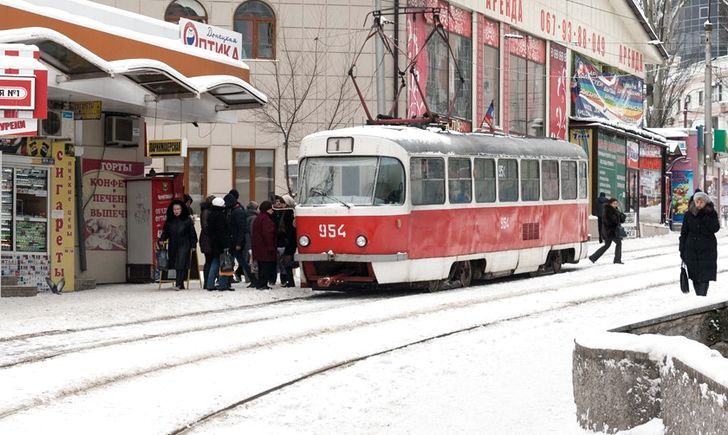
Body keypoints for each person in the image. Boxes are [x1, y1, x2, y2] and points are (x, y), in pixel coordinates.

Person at [680, 191, 720, 296]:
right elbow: (683, 233)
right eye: (697, 201)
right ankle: (698, 298)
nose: (698, 203)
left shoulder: (711, 213)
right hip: (691, 252)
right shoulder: (689, 214)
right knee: (694, 277)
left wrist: (704, 214)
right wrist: (682, 250)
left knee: (704, 278)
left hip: (707, 252)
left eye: (701, 201)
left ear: (705, 202)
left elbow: (715, 228)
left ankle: (701, 299)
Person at [158, 199, 198, 290]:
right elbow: (165, 232)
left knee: (181, 262)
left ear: (182, 209)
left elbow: (192, 233)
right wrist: (162, 239)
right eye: (174, 209)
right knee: (175, 263)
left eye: (178, 209)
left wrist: (193, 245)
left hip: (184, 244)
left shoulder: (187, 220)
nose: (176, 211)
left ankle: (178, 284)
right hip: (173, 244)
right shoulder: (170, 220)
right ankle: (180, 284)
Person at [206, 197, 233, 291]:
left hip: (214, 244)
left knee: (215, 263)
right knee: (225, 264)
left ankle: (209, 284)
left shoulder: (211, 215)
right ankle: (223, 284)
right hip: (222, 245)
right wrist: (226, 245)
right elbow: (222, 232)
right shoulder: (221, 216)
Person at [589, 198, 626, 264]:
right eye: (614, 203)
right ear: (610, 204)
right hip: (610, 231)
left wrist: (622, 217)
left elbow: (619, 220)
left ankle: (593, 257)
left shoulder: (615, 210)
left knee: (607, 245)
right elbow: (609, 221)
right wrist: (618, 218)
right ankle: (617, 260)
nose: (615, 205)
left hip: (611, 231)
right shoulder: (607, 210)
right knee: (618, 243)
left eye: (616, 203)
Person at [252, 200, 277, 290]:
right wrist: (271, 247)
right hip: (265, 248)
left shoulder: (258, 218)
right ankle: (263, 284)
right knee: (266, 267)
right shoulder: (266, 219)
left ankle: (260, 284)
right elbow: (268, 234)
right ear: (267, 209)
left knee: (261, 266)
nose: (272, 211)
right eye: (271, 209)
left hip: (258, 247)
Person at [224, 193, 247, 285]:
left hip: (235, 241)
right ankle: (250, 278)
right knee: (236, 260)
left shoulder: (236, 212)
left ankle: (251, 278)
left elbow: (241, 229)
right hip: (234, 241)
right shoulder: (235, 210)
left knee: (240, 261)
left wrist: (238, 243)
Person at [278, 194, 297, 287]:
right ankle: (290, 281)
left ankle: (290, 281)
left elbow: (291, 228)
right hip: (288, 240)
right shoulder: (284, 212)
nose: (281, 205)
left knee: (287, 261)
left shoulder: (290, 213)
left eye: (283, 203)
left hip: (291, 240)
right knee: (286, 261)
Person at [198, 195, 216, 289]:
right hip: (208, 240)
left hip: (205, 240)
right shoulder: (207, 212)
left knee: (209, 261)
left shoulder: (205, 211)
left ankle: (208, 282)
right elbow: (205, 226)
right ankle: (208, 282)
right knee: (209, 261)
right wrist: (213, 235)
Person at [244, 201, 259, 287]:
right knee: (252, 261)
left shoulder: (246, 215)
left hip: (247, 241)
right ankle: (253, 279)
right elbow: (253, 232)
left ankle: (248, 278)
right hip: (251, 242)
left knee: (247, 260)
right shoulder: (254, 217)